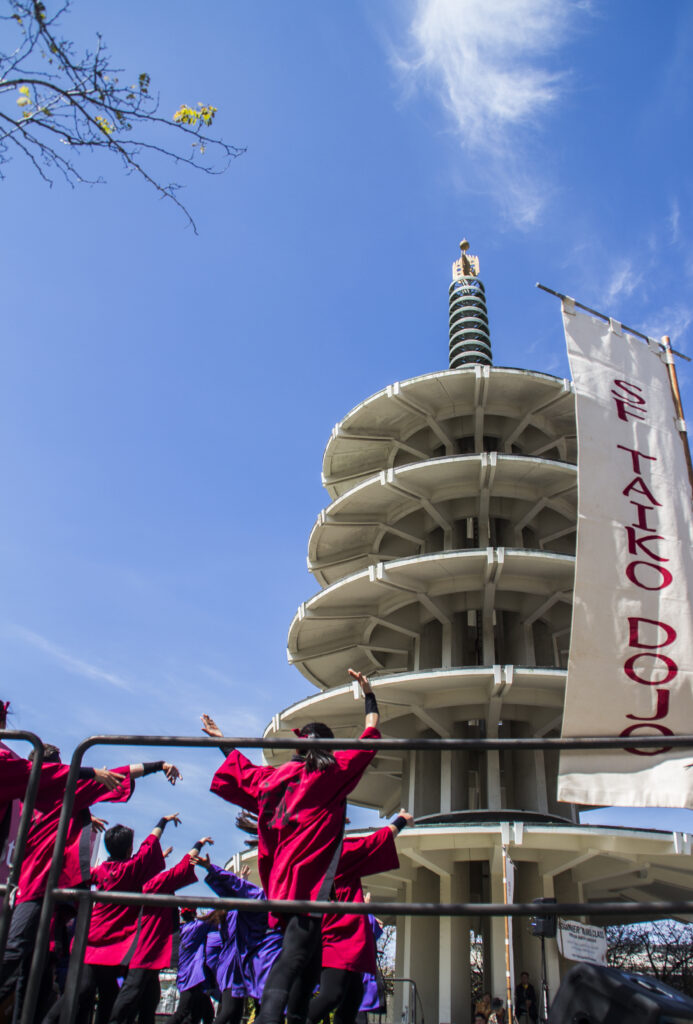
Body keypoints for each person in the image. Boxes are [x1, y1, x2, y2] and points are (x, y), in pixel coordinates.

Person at [204, 666, 381, 1024]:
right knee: (292, 960)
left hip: (280, 879)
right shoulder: (328, 774)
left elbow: (241, 769)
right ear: (328, 748)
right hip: (309, 881)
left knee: (309, 963)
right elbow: (370, 736)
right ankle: (270, 1019)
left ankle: (296, 1016)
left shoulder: (273, 778)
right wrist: (368, 694)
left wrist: (221, 740)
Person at [2, 746, 180, 1024]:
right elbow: (120, 774)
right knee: (21, 957)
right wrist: (160, 766)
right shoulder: (65, 789)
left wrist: (83, 816)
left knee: (33, 968)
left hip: (37, 894)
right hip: (50, 895)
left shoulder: (29, 791)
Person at [45, 812, 181, 1024]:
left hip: (91, 940)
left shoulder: (101, 871)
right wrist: (163, 822)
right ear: (129, 850)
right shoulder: (131, 869)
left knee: (86, 991)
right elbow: (149, 844)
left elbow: (77, 871)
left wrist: (86, 823)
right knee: (103, 996)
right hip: (116, 946)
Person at [305, 812, 412, 1024]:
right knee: (332, 995)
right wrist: (402, 820)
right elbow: (374, 843)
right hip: (340, 938)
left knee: (351, 1002)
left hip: (344, 939)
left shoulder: (316, 856)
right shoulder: (339, 854)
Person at [106, 836, 213, 1024]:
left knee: (148, 1000)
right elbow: (181, 868)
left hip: (142, 950)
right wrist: (199, 844)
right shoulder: (156, 884)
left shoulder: (136, 881)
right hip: (145, 949)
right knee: (132, 995)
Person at [194, 856, 283, 1023]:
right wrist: (211, 869)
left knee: (237, 1013)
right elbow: (239, 890)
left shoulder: (239, 912)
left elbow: (240, 890)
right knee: (231, 1011)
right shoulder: (235, 914)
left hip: (246, 964)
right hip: (234, 965)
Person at [167, 909, 218, 1024]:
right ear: (193, 914)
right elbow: (212, 920)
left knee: (201, 1014)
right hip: (190, 978)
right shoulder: (194, 928)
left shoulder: (185, 929)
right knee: (183, 1012)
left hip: (193, 979)